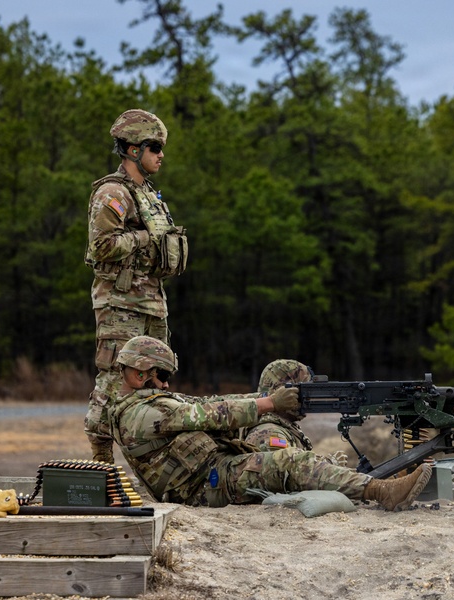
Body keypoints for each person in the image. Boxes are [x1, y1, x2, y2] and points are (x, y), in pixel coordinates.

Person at [108, 336, 432, 511]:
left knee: (289, 461)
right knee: (287, 461)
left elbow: (203, 403)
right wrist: (268, 404)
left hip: (215, 474)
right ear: (139, 373)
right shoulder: (142, 415)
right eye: (161, 376)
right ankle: (380, 491)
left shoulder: (144, 405)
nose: (166, 384)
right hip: (206, 486)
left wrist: (265, 398)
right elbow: (208, 414)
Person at [84, 109, 188, 464]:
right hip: (121, 304)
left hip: (152, 303)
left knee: (155, 380)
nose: (161, 155)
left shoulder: (150, 195)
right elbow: (101, 246)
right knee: (115, 379)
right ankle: (102, 463)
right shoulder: (113, 192)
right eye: (154, 147)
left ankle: (153, 462)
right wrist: (143, 237)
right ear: (132, 150)